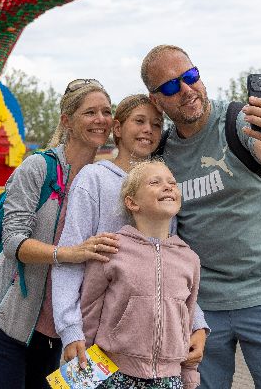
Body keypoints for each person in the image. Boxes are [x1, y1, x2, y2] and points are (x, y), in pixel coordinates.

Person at [140, 45, 261, 389]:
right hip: (202, 309)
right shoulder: (161, 152)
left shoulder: (237, 120)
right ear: (156, 99)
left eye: (191, 77)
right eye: (172, 86)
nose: (187, 90)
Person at [0, 79, 120, 389]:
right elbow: (13, 242)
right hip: (4, 323)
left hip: (57, 335)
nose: (101, 120)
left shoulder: (105, 179)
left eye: (106, 111)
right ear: (67, 121)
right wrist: (69, 253)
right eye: (90, 112)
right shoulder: (39, 167)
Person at [53, 95, 208, 370]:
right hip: (97, 339)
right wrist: (70, 328)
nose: (149, 129)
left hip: (151, 352)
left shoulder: (164, 190)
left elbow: (171, 266)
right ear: (117, 128)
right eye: (139, 121)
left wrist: (196, 322)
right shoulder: (93, 179)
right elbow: (70, 257)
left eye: (157, 124)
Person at [81, 159, 201, 389]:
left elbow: (188, 315)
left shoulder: (190, 259)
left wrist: (189, 376)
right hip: (113, 373)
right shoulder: (112, 249)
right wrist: (85, 372)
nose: (168, 187)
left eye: (172, 183)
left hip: (169, 378)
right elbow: (89, 311)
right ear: (132, 202)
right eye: (155, 182)